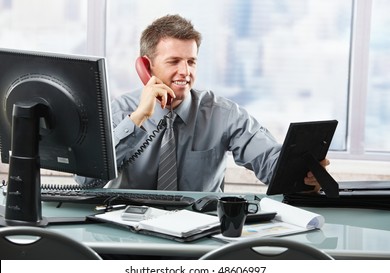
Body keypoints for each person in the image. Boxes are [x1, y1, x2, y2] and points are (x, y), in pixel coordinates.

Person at [77, 14, 328, 192]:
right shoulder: (120, 110)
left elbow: (269, 161)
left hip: (200, 237)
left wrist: (301, 171)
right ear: (146, 66)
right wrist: (136, 120)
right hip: (130, 233)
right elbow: (87, 183)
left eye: (191, 61)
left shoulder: (223, 114)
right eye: (174, 61)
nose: (185, 71)